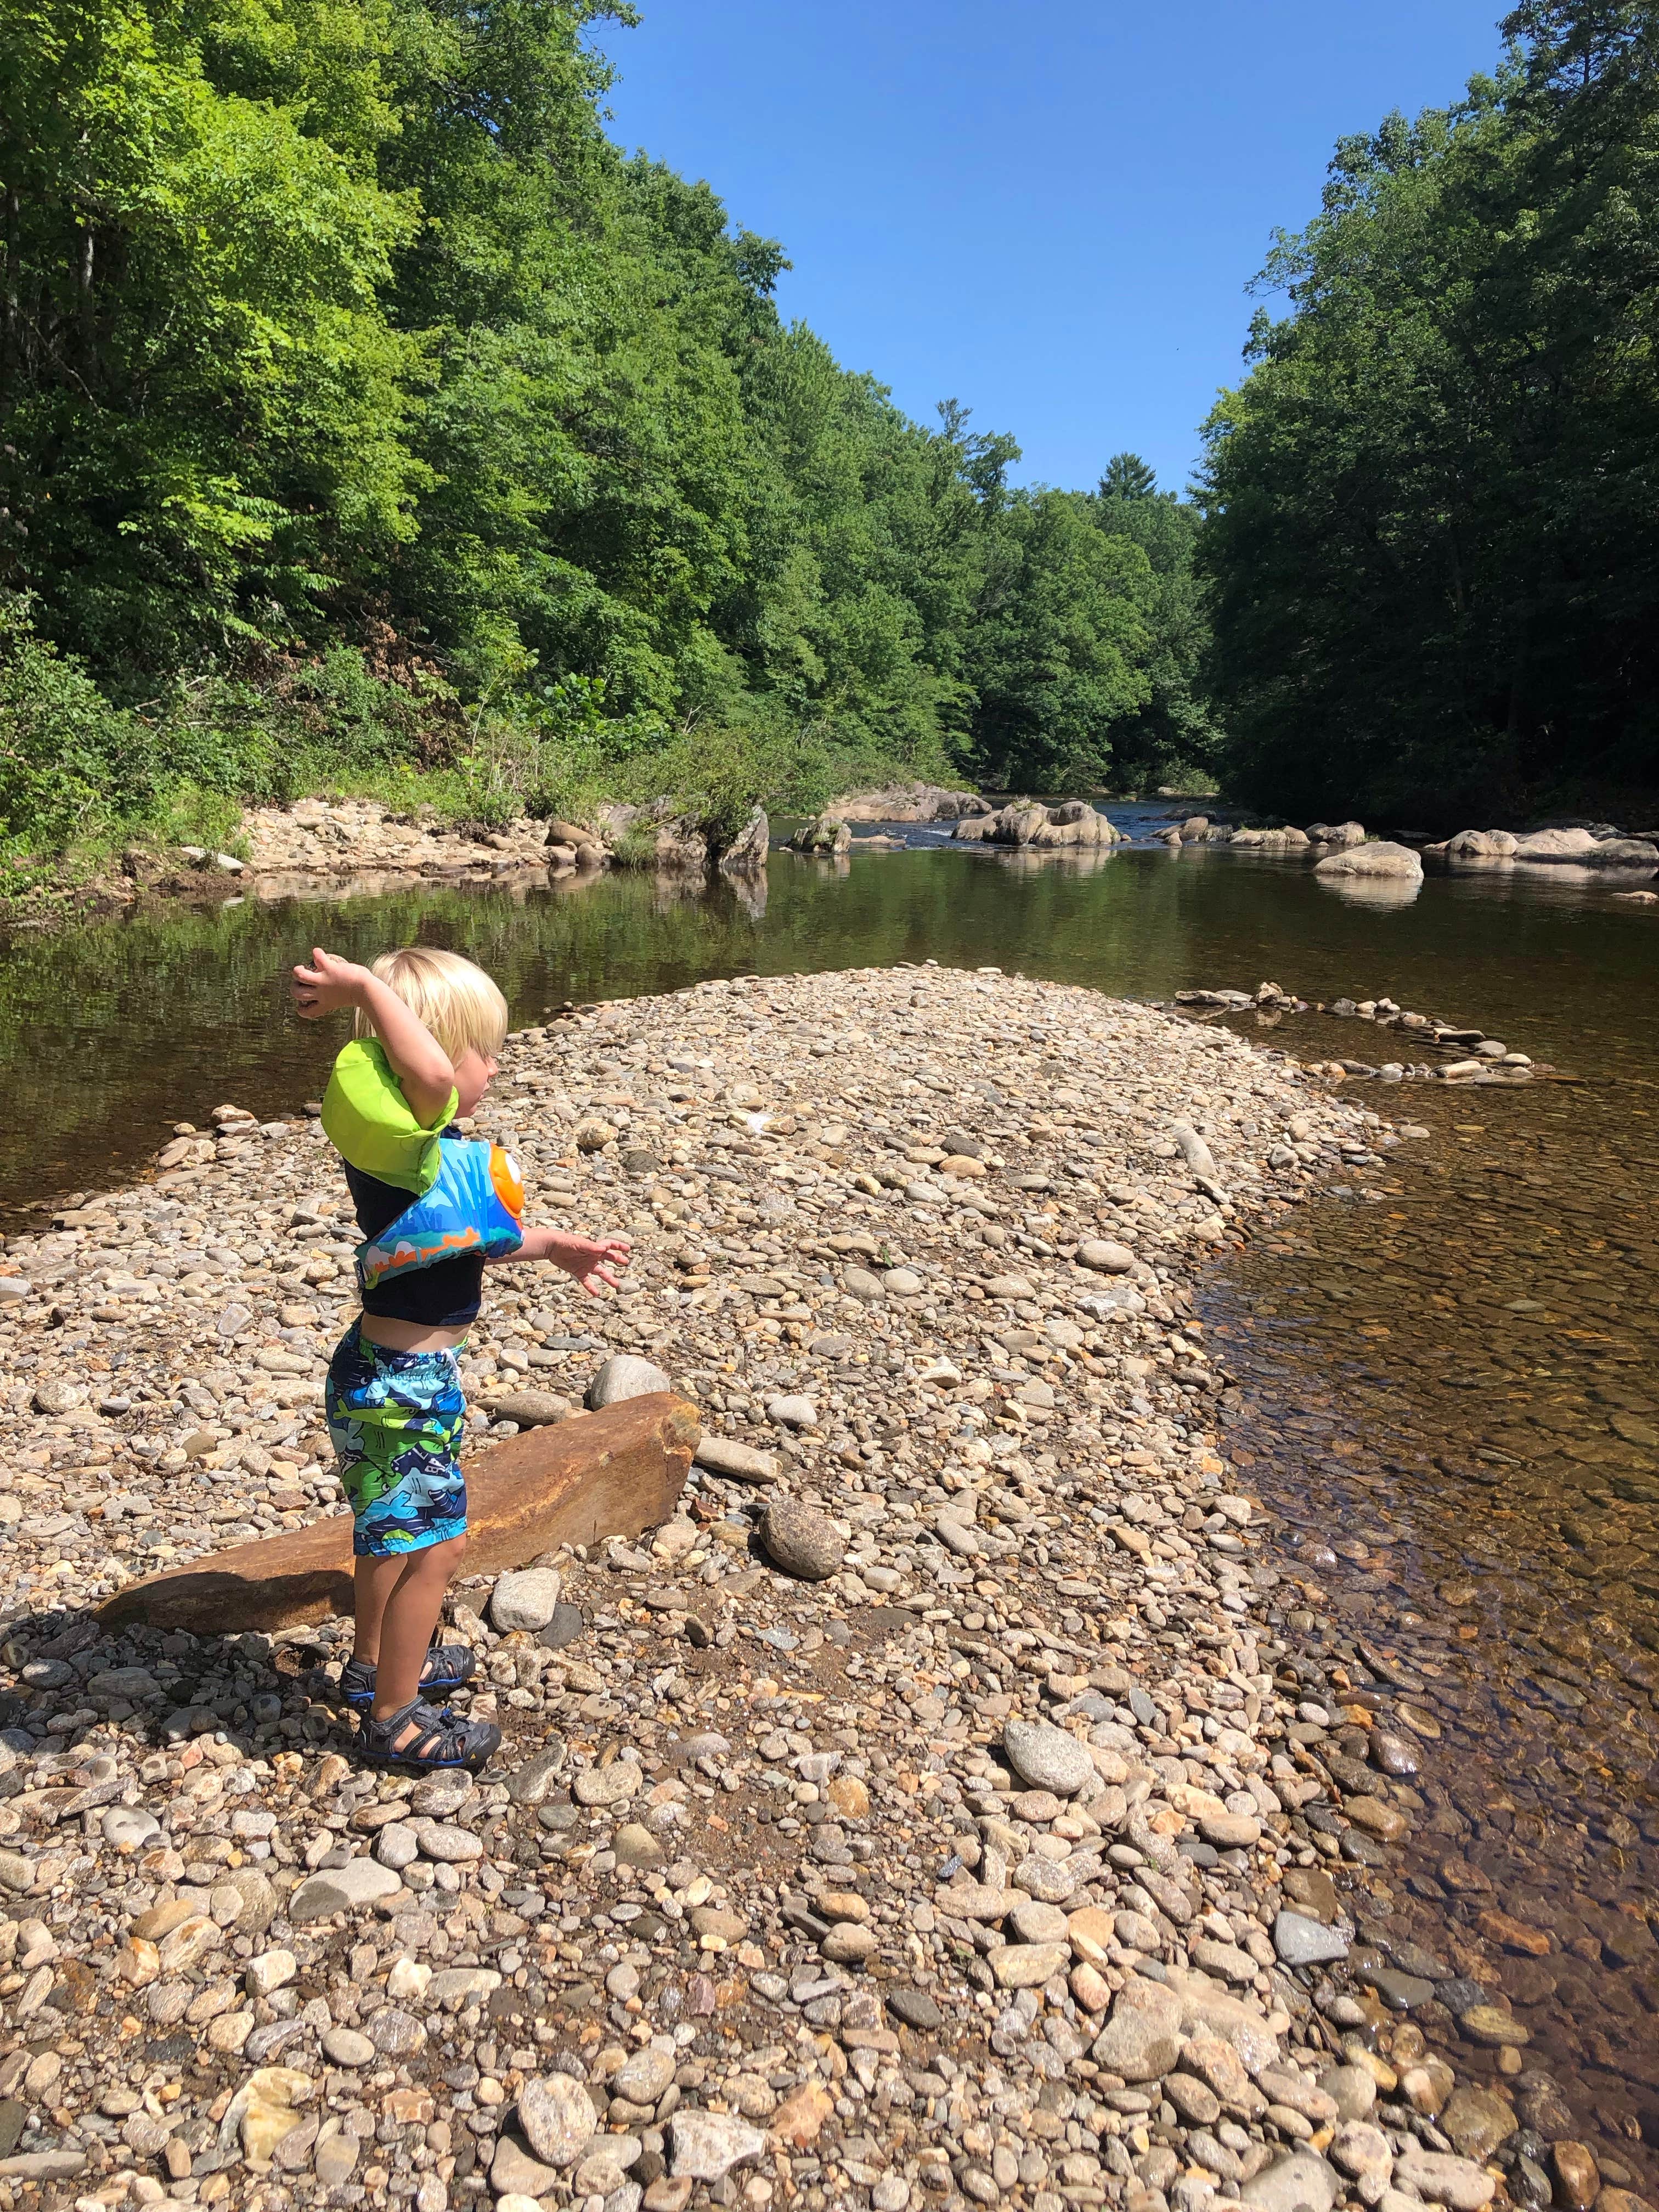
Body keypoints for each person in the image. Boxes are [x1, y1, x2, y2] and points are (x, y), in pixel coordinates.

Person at [291, 944, 630, 1771]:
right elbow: (435, 1082)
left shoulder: (421, 1160)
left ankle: (373, 1669)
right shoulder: (402, 1142)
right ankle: (395, 1719)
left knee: (391, 1537)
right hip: (397, 1390)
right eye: (489, 1053)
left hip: (395, 1381)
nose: (493, 1071)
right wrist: (367, 988)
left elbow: (463, 1240)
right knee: (435, 1548)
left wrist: (556, 1247)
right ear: (437, 1055)